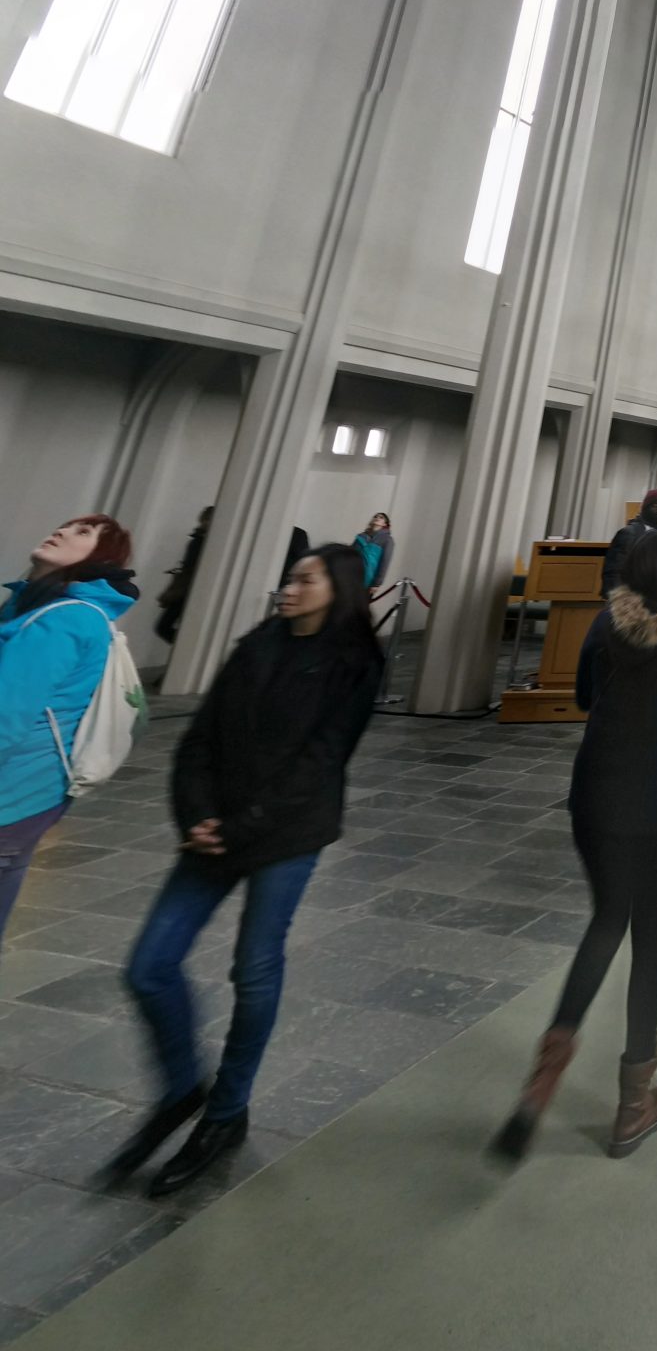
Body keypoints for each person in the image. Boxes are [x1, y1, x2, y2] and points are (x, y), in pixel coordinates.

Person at [114, 543, 381, 1196]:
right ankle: (183, 1090)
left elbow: (320, 762)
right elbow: (201, 735)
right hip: (215, 829)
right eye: (289, 578)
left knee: (254, 971)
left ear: (337, 588)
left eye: (304, 579)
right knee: (149, 966)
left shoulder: (355, 663)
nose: (288, 589)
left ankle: (226, 1114)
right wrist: (196, 815)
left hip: (285, 834)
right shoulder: (260, 641)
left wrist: (239, 826)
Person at [495, 526, 657, 1160]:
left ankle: (546, 1072)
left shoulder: (604, 622)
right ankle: (633, 1103)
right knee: (650, 937)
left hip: (593, 795)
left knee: (604, 921)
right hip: (651, 803)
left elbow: (584, 696)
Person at [0, 515, 138, 943]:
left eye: (83, 533)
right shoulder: (45, 608)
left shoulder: (63, 618)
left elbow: (6, 716)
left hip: (11, 791)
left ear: (100, 557)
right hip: (32, 795)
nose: (59, 531)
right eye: (65, 525)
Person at [154, 506, 211, 647]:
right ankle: (187, 650)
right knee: (167, 627)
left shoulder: (200, 541)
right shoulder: (201, 540)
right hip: (189, 589)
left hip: (187, 589)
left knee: (164, 626)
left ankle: (187, 650)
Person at [603, 487, 657, 595]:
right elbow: (614, 570)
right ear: (646, 508)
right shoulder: (628, 533)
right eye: (655, 505)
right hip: (630, 596)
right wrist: (616, 598)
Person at [352, 511, 394, 590]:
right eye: (375, 516)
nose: (377, 518)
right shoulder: (361, 536)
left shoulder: (387, 540)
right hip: (353, 575)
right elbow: (351, 555)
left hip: (369, 580)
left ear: (385, 524)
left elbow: (385, 562)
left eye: (381, 517)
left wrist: (377, 584)